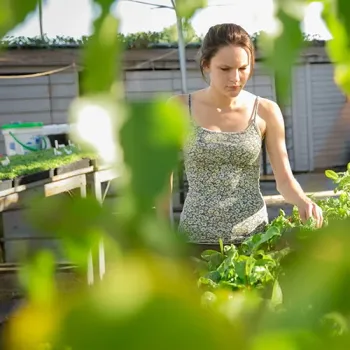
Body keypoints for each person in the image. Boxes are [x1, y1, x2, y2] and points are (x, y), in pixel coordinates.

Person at [166, 23, 323, 253]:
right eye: (225, 69)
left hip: (254, 241)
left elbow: (284, 179)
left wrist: (303, 201)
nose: (235, 78)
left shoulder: (266, 111)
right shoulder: (178, 108)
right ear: (206, 65)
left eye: (243, 68)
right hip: (194, 241)